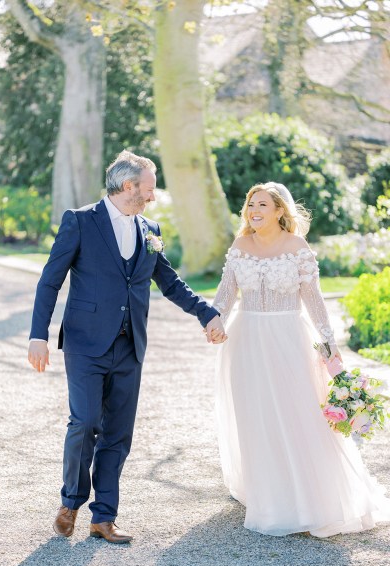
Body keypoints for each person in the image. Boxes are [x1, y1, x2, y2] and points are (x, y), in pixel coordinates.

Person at [28, 150, 226, 544]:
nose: (153, 196)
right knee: (84, 422)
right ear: (128, 185)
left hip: (130, 345)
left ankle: (104, 517)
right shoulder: (80, 222)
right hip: (86, 343)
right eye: (149, 188)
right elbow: (50, 280)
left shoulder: (149, 228)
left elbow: (169, 282)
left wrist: (207, 313)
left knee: (118, 434)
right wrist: (38, 335)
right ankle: (70, 501)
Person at [213, 181, 390, 537]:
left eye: (262, 204)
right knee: (256, 414)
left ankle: (309, 498)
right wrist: (213, 319)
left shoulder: (297, 247)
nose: (254, 211)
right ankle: (268, 493)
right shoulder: (240, 246)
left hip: (289, 338)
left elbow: (315, 300)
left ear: (280, 211)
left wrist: (329, 345)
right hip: (245, 340)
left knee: (297, 413)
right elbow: (225, 294)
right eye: (250, 205)